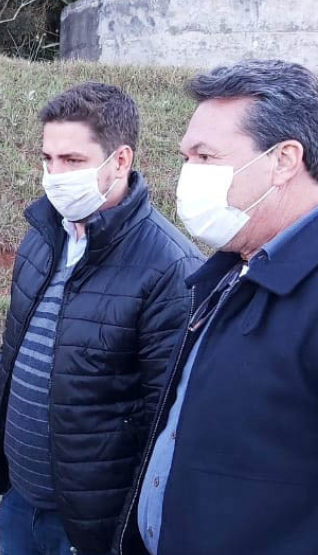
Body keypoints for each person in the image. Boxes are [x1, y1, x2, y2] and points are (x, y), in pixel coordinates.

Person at [0, 82, 202, 555]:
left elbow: (165, 420)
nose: (54, 175)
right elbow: (12, 356)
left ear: (120, 160)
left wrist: (128, 531)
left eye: (72, 161)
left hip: (91, 523)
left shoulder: (171, 267)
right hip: (19, 498)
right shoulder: (43, 237)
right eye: (48, 159)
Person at [121, 59, 318, 555]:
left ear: (284, 160)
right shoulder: (234, 268)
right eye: (186, 157)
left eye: (206, 157)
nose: (188, 174)